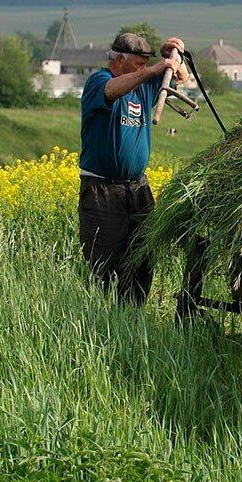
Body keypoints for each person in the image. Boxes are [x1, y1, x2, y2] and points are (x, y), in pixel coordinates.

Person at [78, 31, 187, 305]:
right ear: (119, 59)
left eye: (143, 64)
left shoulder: (144, 84)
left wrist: (174, 56)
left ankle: (133, 315)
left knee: (141, 258)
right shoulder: (99, 81)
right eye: (137, 64)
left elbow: (181, 78)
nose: (142, 69)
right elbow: (112, 91)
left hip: (137, 190)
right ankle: (98, 318)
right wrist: (153, 69)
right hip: (103, 191)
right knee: (103, 261)